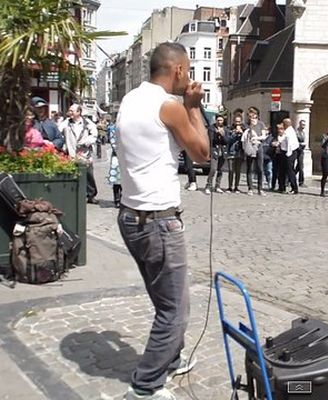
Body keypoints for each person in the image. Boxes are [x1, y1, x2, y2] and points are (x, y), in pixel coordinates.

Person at [116, 42, 210, 400]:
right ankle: (145, 386)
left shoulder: (130, 99)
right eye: (187, 70)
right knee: (174, 310)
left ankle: (170, 358)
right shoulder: (169, 107)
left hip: (130, 216)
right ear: (179, 71)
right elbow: (202, 154)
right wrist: (194, 108)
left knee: (164, 301)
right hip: (159, 221)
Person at [62, 103, 99, 204]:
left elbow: (94, 134)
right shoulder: (66, 123)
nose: (69, 113)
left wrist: (87, 141)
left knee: (89, 174)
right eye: (69, 111)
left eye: (71, 111)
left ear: (78, 112)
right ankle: (76, 194)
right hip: (72, 152)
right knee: (74, 173)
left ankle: (91, 195)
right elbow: (59, 133)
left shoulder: (87, 123)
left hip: (84, 153)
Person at [242, 107, 268, 195]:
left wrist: (256, 137)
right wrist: (251, 127)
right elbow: (245, 136)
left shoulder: (261, 124)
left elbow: (264, 136)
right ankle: (250, 188)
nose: (252, 118)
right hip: (250, 147)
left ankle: (260, 188)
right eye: (250, 116)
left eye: (253, 116)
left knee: (260, 168)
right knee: (249, 168)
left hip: (259, 147)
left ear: (256, 115)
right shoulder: (246, 125)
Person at [205, 115, 228, 194]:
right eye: (218, 120)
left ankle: (217, 186)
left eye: (221, 120)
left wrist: (223, 135)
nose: (219, 122)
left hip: (223, 151)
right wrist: (216, 134)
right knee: (213, 169)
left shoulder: (225, 129)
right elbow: (211, 140)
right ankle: (208, 185)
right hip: (214, 150)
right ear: (216, 120)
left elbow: (227, 141)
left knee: (220, 169)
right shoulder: (211, 128)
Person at [280, 118, 299, 194]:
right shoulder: (289, 130)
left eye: (284, 124)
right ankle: (282, 187)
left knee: (290, 171)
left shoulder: (289, 132)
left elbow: (290, 144)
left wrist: (288, 154)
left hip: (289, 153)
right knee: (282, 171)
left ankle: (294, 188)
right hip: (287, 152)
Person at [106, 115, 122, 208]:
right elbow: (113, 141)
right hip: (117, 156)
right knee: (116, 179)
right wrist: (119, 152)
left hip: (126, 156)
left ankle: (123, 198)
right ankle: (117, 199)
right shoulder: (113, 128)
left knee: (125, 179)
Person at [226, 115, 245, 193]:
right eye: (236, 121)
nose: (237, 123)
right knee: (231, 170)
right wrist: (234, 133)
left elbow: (246, 140)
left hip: (240, 152)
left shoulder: (244, 129)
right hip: (231, 151)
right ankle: (230, 187)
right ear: (233, 121)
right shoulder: (230, 129)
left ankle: (236, 187)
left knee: (238, 171)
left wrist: (242, 133)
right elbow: (228, 140)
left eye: (239, 121)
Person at [295, 119, 307, 187]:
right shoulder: (296, 132)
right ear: (299, 124)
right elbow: (295, 141)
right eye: (302, 124)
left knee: (299, 166)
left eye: (304, 125)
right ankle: (300, 181)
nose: (303, 126)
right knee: (300, 166)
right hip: (297, 150)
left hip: (301, 150)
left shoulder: (303, 132)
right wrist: (301, 144)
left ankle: (299, 180)